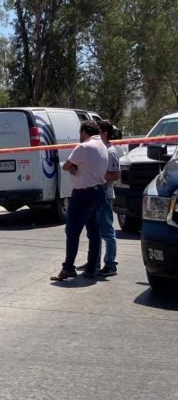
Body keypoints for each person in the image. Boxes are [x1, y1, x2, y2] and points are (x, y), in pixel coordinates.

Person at [52, 121, 109, 281]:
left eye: (80, 133)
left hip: (83, 194)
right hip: (98, 192)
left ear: (84, 132)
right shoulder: (102, 146)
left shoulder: (83, 147)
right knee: (94, 233)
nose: (79, 136)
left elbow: (66, 166)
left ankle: (68, 268)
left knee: (72, 232)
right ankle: (91, 268)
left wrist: (73, 167)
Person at [77, 120, 120, 277]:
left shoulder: (111, 152)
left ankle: (110, 264)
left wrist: (98, 175)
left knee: (107, 231)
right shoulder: (97, 149)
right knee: (94, 230)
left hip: (105, 193)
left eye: (98, 132)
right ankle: (94, 262)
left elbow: (115, 175)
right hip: (94, 192)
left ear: (105, 134)